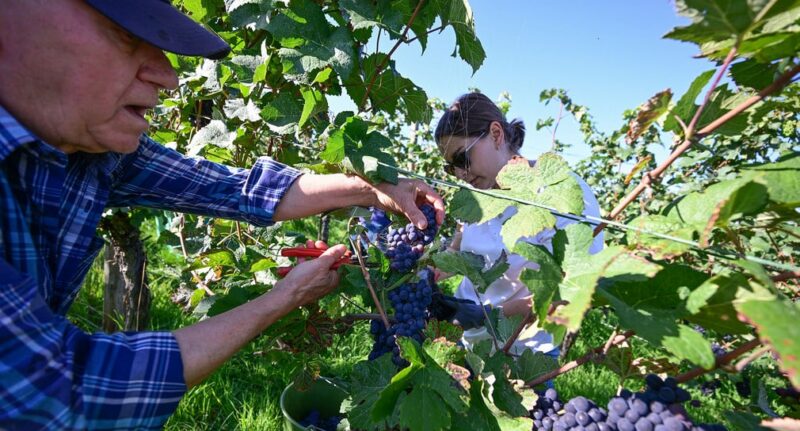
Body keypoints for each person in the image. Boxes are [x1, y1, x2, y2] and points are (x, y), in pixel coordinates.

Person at [0, 1, 444, 429]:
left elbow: (235, 189)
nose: (169, 78)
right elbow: (62, 397)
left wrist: (374, 190)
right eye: (124, 34)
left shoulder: (94, 151)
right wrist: (280, 300)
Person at [432, 92, 603, 357]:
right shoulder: (475, 198)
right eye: (450, 168)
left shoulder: (560, 192)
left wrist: (490, 315)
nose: (460, 174)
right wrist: (424, 269)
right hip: (467, 343)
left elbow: (575, 290)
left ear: (496, 134)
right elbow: (456, 250)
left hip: (525, 353)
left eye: (462, 158)